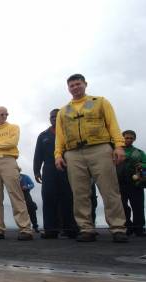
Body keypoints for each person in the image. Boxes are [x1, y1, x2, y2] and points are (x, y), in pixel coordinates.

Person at [55, 74, 128, 243]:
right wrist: (58, 155)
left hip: (100, 148)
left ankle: (118, 228)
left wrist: (119, 146)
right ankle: (86, 228)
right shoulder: (63, 111)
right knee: (79, 193)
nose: (75, 87)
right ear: (68, 88)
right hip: (73, 153)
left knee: (109, 190)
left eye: (78, 84)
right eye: (72, 85)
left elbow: (113, 124)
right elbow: (60, 136)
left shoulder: (100, 102)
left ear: (85, 84)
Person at [0, 107, 33, 240]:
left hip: (9, 160)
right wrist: (2, 145)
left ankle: (25, 229)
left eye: (6, 114)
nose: (4, 116)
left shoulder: (14, 128)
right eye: (1, 114)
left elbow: (13, 142)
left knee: (16, 194)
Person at [34, 109, 77, 239]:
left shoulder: (71, 132)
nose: (54, 118)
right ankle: (50, 230)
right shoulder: (43, 135)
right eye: (52, 117)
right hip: (48, 169)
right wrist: (36, 170)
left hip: (67, 168)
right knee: (48, 198)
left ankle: (70, 229)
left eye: (56, 116)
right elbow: (38, 155)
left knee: (68, 198)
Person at [117, 130, 145, 236]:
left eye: (131, 138)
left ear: (134, 139)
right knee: (122, 206)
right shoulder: (116, 151)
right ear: (122, 138)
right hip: (120, 183)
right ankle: (127, 227)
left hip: (136, 183)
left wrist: (141, 165)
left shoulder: (139, 152)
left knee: (138, 206)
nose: (128, 140)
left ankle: (139, 228)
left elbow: (145, 163)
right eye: (126, 137)